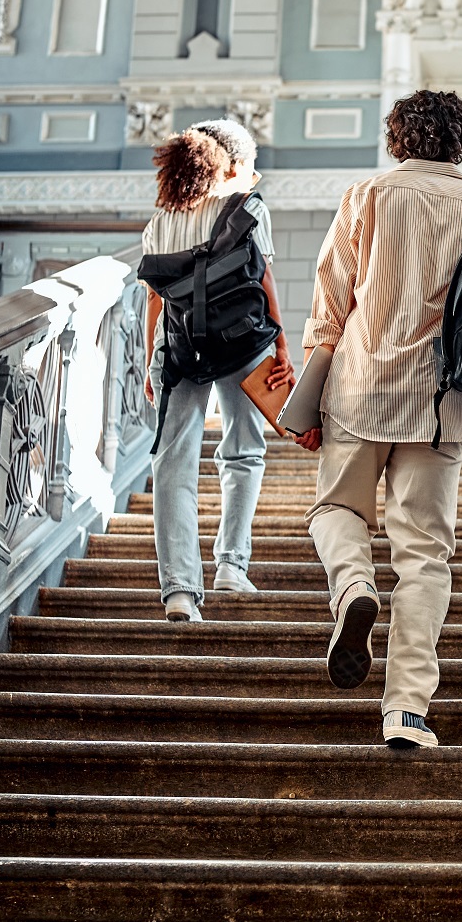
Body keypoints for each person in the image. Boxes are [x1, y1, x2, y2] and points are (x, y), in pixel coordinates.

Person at [299, 89, 462, 750]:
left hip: (360, 388)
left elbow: (329, 303)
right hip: (445, 402)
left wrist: (308, 395)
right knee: (425, 556)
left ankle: (353, 586)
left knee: (336, 509)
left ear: (398, 138)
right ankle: (406, 711)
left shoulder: (365, 196)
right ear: (461, 143)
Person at [141, 121, 292, 623]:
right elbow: (263, 279)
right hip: (243, 344)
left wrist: (150, 359)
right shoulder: (248, 209)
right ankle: (231, 564)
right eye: (249, 165)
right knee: (244, 451)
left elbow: (154, 299)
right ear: (230, 165)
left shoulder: (162, 217)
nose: (255, 174)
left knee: (173, 461)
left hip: (180, 349)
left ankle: (181, 590)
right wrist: (282, 347)